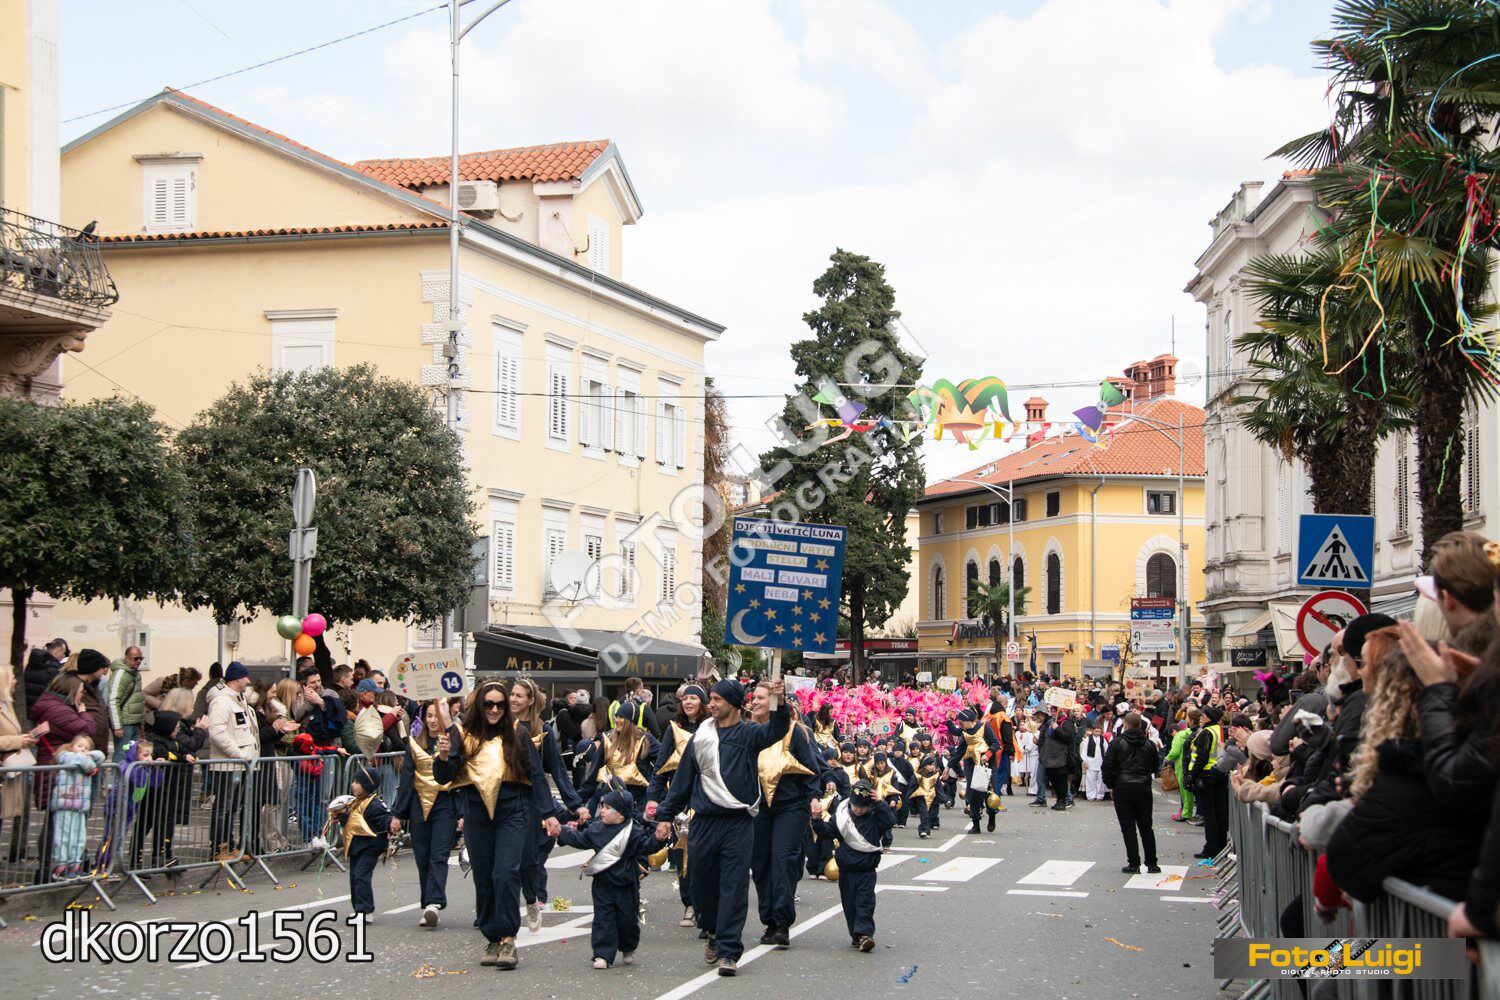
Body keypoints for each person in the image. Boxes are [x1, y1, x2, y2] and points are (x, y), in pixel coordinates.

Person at [651, 677, 790, 978]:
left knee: (734, 886)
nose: (710, 704)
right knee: (700, 884)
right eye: (710, 699)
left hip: (737, 823)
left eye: (716, 699)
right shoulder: (701, 737)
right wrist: (665, 815)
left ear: (734, 704)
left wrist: (779, 700)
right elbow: (683, 779)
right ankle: (712, 929)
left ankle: (729, 950)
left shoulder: (749, 734)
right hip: (704, 821)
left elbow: (777, 729)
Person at [432, 681, 559, 970]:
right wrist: (443, 756)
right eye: (489, 704)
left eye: (500, 705)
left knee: (506, 873)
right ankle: (491, 936)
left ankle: (508, 937)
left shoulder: (518, 733)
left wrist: (549, 813)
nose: (494, 710)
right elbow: (444, 777)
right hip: (477, 813)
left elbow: (536, 775)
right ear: (480, 706)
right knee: (484, 876)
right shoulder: (463, 735)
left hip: (513, 811)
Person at [558, 784, 673, 969]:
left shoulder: (633, 831)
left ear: (621, 814)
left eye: (608, 808)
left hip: (627, 883)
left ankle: (628, 947)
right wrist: (562, 832)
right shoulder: (596, 829)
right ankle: (602, 954)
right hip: (603, 883)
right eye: (602, 806)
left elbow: (647, 846)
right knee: (603, 919)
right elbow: (580, 839)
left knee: (628, 920)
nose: (602, 811)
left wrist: (659, 839)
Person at [749, 681, 821, 949]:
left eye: (761, 698)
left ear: (773, 701)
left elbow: (812, 767)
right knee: (760, 864)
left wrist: (814, 797)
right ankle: (768, 919)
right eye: (753, 697)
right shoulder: (748, 731)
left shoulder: (795, 731)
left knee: (783, 861)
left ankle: (781, 923)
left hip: (790, 807)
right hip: (757, 808)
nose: (754, 702)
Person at [509, 677, 585, 931]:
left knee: (528, 859)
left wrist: (575, 804)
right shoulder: (498, 727)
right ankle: (498, 909)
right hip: (501, 801)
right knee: (501, 860)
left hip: (531, 801)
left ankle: (532, 898)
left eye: (519, 695)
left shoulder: (541, 731)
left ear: (530, 700)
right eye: (512, 694)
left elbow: (558, 770)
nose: (513, 699)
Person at [390, 700, 460, 928]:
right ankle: (427, 901)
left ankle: (434, 903)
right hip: (419, 805)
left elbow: (460, 777)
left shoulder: (453, 743)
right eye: (429, 716)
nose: (432, 720)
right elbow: (406, 779)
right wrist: (397, 814)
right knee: (422, 855)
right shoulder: (413, 744)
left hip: (445, 804)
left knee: (439, 854)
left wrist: (462, 813)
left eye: (436, 715)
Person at [646, 682, 707, 928]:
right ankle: (689, 904)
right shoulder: (673, 730)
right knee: (682, 853)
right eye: (686, 698)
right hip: (681, 801)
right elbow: (661, 767)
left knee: (704, 855)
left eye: (694, 698)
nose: (689, 702)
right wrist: (653, 797)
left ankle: (705, 905)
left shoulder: (712, 728)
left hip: (708, 800)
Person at [810, 779, 894, 953]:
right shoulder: (842, 816)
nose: (858, 809)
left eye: (862, 806)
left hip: (866, 870)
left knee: (865, 903)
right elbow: (827, 832)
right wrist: (817, 819)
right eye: (856, 805)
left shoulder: (875, 816)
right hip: (846, 869)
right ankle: (856, 935)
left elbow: (889, 821)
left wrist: (880, 803)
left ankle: (865, 934)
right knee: (849, 905)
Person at [206, 662, 260, 857]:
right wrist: (239, 754)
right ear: (237, 679)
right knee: (223, 807)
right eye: (245, 677)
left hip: (240, 765)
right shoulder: (221, 702)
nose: (248, 681)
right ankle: (218, 847)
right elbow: (217, 732)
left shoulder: (238, 700)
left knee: (233, 808)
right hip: (227, 765)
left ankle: (229, 844)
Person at [329, 764, 393, 922]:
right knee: (354, 876)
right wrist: (340, 817)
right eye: (354, 781)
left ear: (367, 785)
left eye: (357, 782)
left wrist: (391, 825)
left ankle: (365, 911)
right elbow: (354, 822)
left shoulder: (375, 804)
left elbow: (383, 819)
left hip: (371, 846)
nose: (353, 785)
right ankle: (359, 908)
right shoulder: (356, 802)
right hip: (357, 846)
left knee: (361, 875)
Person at [1101, 713, 1160, 875]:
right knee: (1146, 826)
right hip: (1143, 786)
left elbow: (1107, 766)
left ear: (1126, 725)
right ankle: (1152, 863)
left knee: (1128, 827)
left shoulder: (1117, 743)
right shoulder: (1148, 744)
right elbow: (1155, 766)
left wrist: (1111, 784)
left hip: (1123, 786)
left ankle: (1134, 863)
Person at [582, 698, 657, 818]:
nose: (617, 720)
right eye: (616, 716)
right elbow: (594, 772)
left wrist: (655, 794)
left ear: (630, 720)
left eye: (621, 717)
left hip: (639, 802)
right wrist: (578, 803)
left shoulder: (645, 740)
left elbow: (662, 766)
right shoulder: (608, 739)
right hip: (612, 801)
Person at [49, 733, 104, 879]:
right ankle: (61, 866)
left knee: (79, 838)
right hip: (65, 803)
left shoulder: (86, 758)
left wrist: (89, 755)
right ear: (71, 746)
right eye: (79, 746)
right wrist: (88, 760)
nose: (82, 750)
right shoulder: (66, 756)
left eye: (86, 748)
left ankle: (74, 865)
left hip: (80, 805)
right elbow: (85, 763)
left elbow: (101, 756)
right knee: (63, 837)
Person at [946, 707, 1000, 832]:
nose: (960, 725)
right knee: (973, 795)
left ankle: (992, 816)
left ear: (970, 721)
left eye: (962, 723)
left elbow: (995, 744)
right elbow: (959, 752)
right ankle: (976, 824)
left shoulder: (985, 727)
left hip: (987, 766)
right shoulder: (964, 733)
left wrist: (988, 754)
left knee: (988, 793)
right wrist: (948, 767)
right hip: (971, 766)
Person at [108, 646, 146, 761]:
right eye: (135, 658)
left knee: (133, 756)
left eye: (141, 658)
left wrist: (141, 723)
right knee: (121, 755)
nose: (139, 661)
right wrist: (117, 726)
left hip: (134, 722)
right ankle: (118, 774)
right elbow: (113, 700)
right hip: (124, 723)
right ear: (126, 658)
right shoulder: (121, 674)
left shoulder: (135, 674)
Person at [23, 638, 68, 721]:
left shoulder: (30, 665)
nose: (63, 656)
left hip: (26, 708)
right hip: (41, 712)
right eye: (63, 653)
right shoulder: (54, 669)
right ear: (57, 651)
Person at [1041, 704, 1076, 811]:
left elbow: (1068, 737)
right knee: (1053, 779)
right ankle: (1058, 799)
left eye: (1054, 711)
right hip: (1050, 756)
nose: (1052, 713)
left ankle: (1062, 800)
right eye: (1051, 711)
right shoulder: (1050, 722)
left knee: (1061, 780)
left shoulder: (1066, 722)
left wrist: (1057, 729)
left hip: (1061, 757)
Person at [1081, 726, 1106, 801]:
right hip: (1091, 761)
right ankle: (1091, 795)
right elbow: (1084, 751)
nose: (1098, 733)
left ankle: (1100, 795)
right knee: (1091, 779)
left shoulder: (1103, 739)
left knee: (1100, 780)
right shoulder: (1088, 739)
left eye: (1099, 732)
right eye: (1096, 731)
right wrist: (1085, 761)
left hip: (1101, 761)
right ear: (1093, 731)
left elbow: (1106, 749)